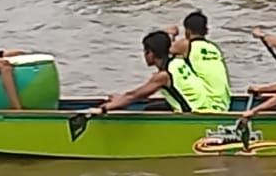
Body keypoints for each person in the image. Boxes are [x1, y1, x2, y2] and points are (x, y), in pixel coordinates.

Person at [80, 30, 222, 120]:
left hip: (197, 116)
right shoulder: (179, 61)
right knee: (152, 108)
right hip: (208, 107)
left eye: (145, 51)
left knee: (145, 107)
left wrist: (103, 108)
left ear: (151, 53)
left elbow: (134, 96)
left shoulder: (162, 76)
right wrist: (119, 99)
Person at [170, 9, 232, 111]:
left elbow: (161, 51)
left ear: (187, 31)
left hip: (207, 102)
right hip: (224, 102)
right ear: (206, 30)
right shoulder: (214, 48)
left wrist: (171, 35)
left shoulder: (186, 45)